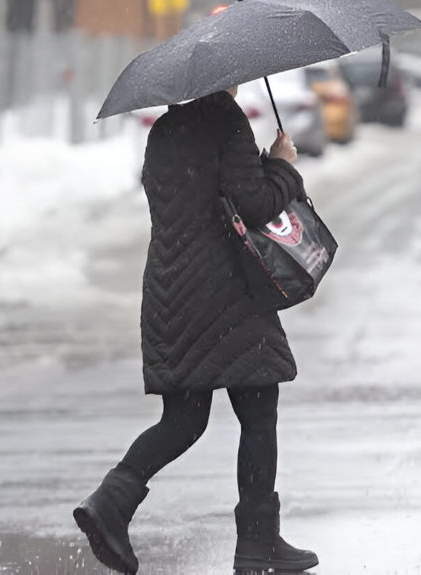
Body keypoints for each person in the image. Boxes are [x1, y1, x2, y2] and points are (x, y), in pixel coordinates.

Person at [72, 85, 318, 574]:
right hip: (226, 291)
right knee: (258, 410)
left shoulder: (164, 130)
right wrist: (283, 165)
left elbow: (199, 198)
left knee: (184, 420)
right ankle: (257, 542)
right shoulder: (225, 119)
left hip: (171, 292)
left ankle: (112, 501)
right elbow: (252, 204)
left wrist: (258, 166)